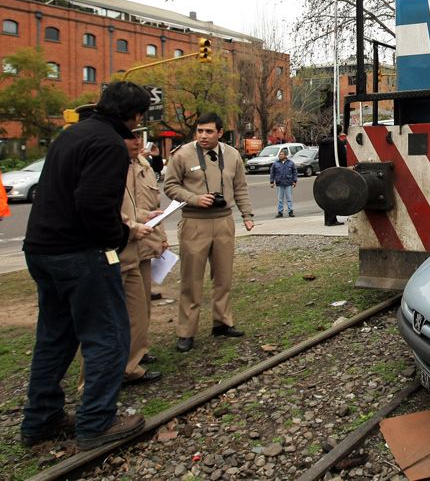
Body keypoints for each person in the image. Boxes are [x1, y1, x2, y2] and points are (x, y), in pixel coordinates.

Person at [20, 81, 149, 450]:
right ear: (133, 115)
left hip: (42, 249)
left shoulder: (71, 134)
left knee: (55, 336)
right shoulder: (109, 144)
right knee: (108, 335)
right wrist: (118, 236)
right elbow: (92, 203)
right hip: (80, 253)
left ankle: (41, 418)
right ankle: (96, 422)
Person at [163, 112, 254, 352]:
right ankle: (186, 332)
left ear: (220, 133)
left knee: (223, 278)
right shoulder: (182, 155)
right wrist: (194, 198)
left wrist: (247, 215)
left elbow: (240, 188)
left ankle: (222, 323)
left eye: (209, 132)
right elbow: (170, 186)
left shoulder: (233, 155)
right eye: (200, 131)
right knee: (191, 281)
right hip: (194, 222)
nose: (203, 136)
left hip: (224, 221)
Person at [120, 129, 168, 385]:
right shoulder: (114, 165)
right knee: (128, 308)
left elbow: (153, 205)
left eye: (140, 137)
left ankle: (138, 352)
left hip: (145, 238)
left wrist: (160, 236)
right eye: (132, 137)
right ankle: (127, 364)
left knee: (143, 305)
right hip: (125, 240)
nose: (138, 142)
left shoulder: (144, 164)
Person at [269, 147, 297, 217]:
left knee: (289, 198)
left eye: (282, 154)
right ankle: (280, 212)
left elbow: (295, 172)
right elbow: (272, 173)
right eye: (279, 154)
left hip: (288, 183)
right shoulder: (275, 163)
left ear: (285, 155)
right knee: (280, 199)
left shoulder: (291, 163)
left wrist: (294, 181)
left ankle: (290, 211)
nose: (280, 156)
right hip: (279, 183)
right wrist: (272, 182)